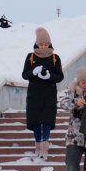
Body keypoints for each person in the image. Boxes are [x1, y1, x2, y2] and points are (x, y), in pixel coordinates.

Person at [21, 27, 63, 162]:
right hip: (34, 94)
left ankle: (44, 146)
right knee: (35, 121)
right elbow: (24, 75)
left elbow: (60, 76)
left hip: (49, 94)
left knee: (46, 121)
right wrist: (33, 72)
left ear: (49, 43)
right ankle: (38, 145)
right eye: (41, 44)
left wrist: (49, 76)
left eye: (45, 44)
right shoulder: (31, 57)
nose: (43, 46)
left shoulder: (55, 58)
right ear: (37, 44)